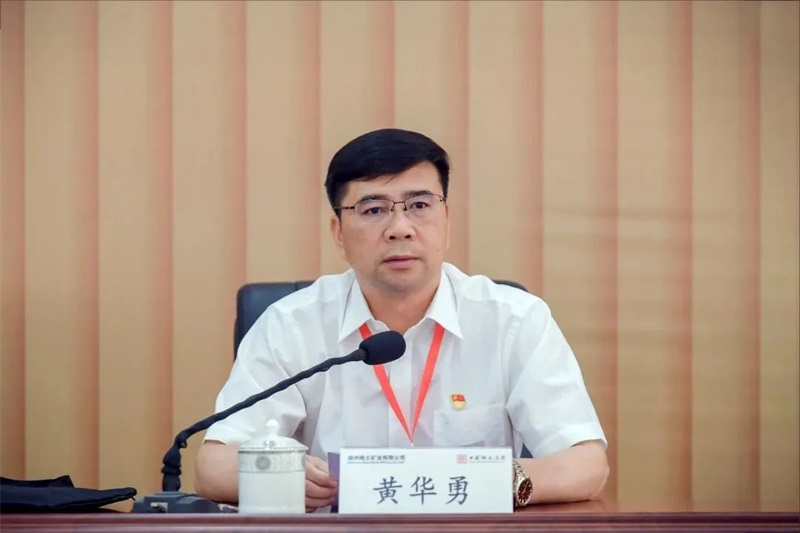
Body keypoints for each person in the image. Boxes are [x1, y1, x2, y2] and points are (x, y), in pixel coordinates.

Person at [195, 128, 608, 511]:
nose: (400, 228)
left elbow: (586, 463)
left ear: (446, 221)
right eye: (374, 209)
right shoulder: (291, 325)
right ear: (339, 233)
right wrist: (282, 477)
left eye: (420, 206)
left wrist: (496, 479)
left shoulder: (513, 320)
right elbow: (214, 466)